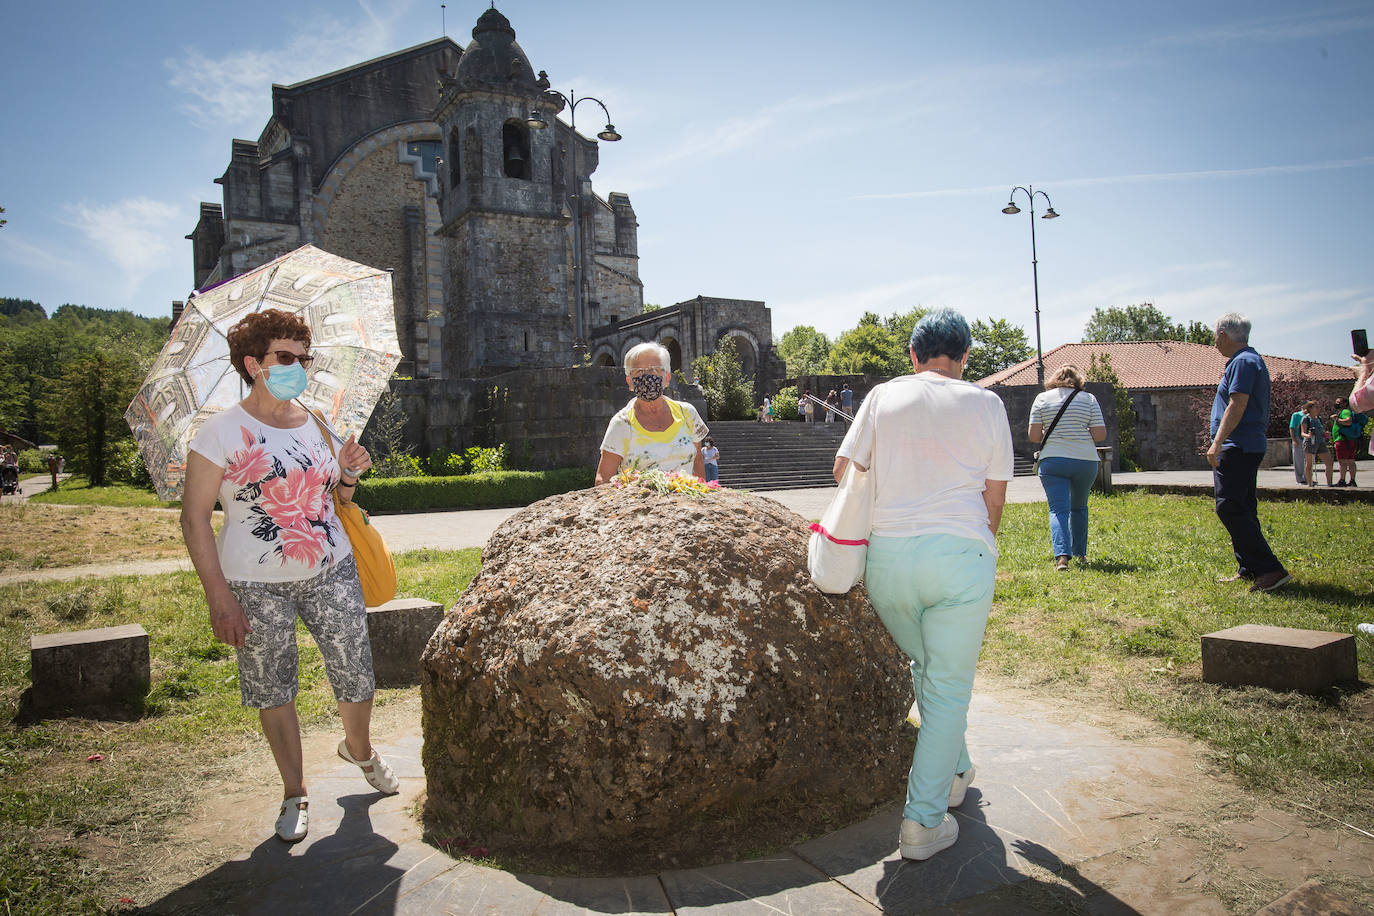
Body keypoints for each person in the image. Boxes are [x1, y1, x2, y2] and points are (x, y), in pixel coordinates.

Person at [181, 308, 398, 844]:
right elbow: (194, 519)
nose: (298, 367)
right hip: (253, 583)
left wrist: (347, 473)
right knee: (273, 686)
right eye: (286, 357)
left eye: (304, 357)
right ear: (254, 364)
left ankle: (361, 750)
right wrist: (218, 599)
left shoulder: (316, 420)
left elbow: (335, 500)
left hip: (331, 566)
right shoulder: (220, 432)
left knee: (356, 669)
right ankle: (294, 792)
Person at [834, 308, 1013, 862]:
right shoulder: (987, 404)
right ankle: (922, 822)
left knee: (927, 670)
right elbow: (995, 496)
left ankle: (955, 770)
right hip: (959, 555)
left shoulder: (885, 396)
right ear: (964, 357)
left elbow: (844, 471)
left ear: (912, 357)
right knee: (949, 688)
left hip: (888, 560)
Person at [1207, 312, 1290, 592]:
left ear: (1223, 335)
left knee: (1229, 506)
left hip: (1237, 445)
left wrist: (1217, 442)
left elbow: (1237, 404)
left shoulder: (1243, 362)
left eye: (1216, 336)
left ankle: (1270, 568)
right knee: (1242, 506)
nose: (1215, 342)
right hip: (1245, 444)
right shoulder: (1248, 360)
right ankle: (1249, 567)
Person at [1028, 365, 1107, 571]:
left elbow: (1034, 436)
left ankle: (1062, 558)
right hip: (1085, 461)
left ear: (1053, 381)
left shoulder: (1042, 399)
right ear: (1078, 381)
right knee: (1079, 507)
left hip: (1053, 460)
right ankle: (1080, 553)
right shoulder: (1088, 399)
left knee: (1058, 510)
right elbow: (1100, 435)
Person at [596, 342, 708, 484]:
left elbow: (697, 462)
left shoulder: (687, 413)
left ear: (667, 378)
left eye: (654, 370)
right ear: (629, 381)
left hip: (685, 502)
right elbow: (603, 479)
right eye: (639, 371)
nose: (647, 377)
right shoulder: (622, 423)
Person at [1331, 396, 1363, 487]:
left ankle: (1342, 480)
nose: (1336, 404)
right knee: (1350, 461)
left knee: (1343, 462)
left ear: (1345, 403)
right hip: (1349, 440)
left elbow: (1348, 422)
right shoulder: (1346, 411)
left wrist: (1336, 419)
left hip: (1343, 441)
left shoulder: (1345, 411)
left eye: (1338, 402)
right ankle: (1352, 480)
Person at [1300, 400, 1333, 488]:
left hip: (1320, 442)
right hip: (1310, 442)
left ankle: (1330, 483)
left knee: (1329, 462)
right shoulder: (1306, 419)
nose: (1318, 409)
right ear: (1310, 408)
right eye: (1316, 407)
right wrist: (1309, 435)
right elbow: (1302, 433)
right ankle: (1310, 484)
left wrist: (1326, 434)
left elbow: (1321, 431)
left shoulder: (1319, 418)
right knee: (1309, 463)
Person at [1289, 406, 1307, 485]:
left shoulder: (1311, 416)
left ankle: (1308, 478)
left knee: (1307, 460)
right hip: (1298, 438)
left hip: (1307, 439)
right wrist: (1294, 439)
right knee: (1298, 460)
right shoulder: (1296, 415)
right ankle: (1300, 479)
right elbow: (1292, 427)